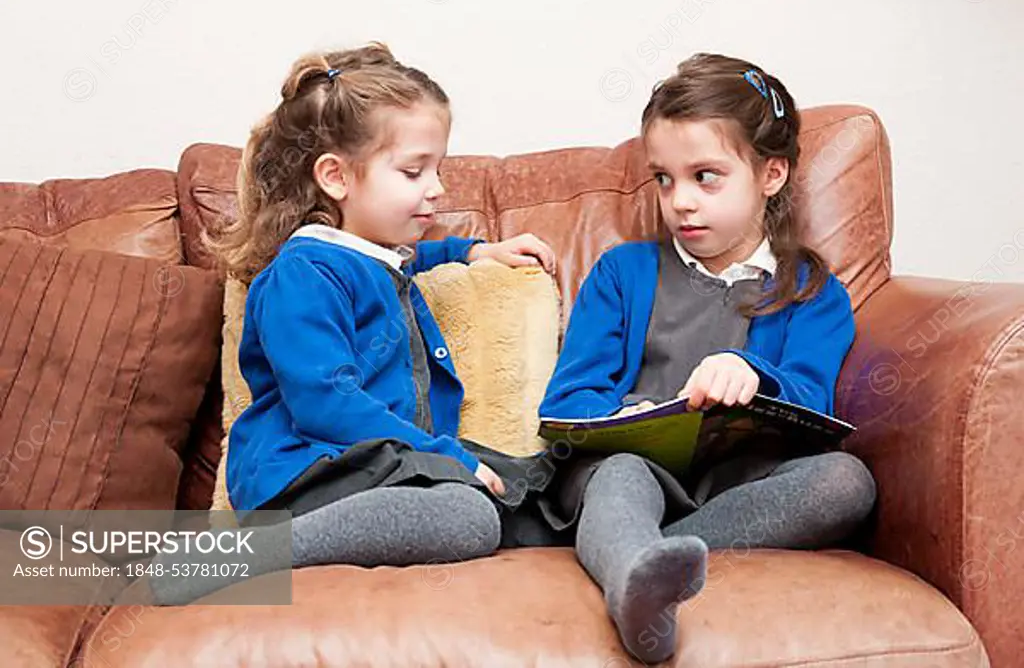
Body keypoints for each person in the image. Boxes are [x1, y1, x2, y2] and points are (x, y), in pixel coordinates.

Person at [147, 43, 556, 605]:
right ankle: (235, 560)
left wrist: (473, 251)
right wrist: (448, 458)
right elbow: (325, 403)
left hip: (381, 466)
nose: (436, 188)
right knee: (469, 516)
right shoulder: (303, 274)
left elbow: (401, 268)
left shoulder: (368, 257)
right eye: (414, 171)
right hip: (304, 475)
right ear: (336, 177)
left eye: (438, 169)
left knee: (540, 481)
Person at [538, 53, 877, 664]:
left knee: (846, 483)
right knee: (617, 478)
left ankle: (644, 555)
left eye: (705, 176)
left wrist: (753, 375)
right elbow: (566, 402)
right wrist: (629, 417)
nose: (681, 202)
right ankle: (634, 570)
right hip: (631, 470)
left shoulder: (811, 291)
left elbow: (814, 404)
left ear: (771, 174)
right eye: (663, 179)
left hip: (739, 484)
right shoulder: (622, 274)